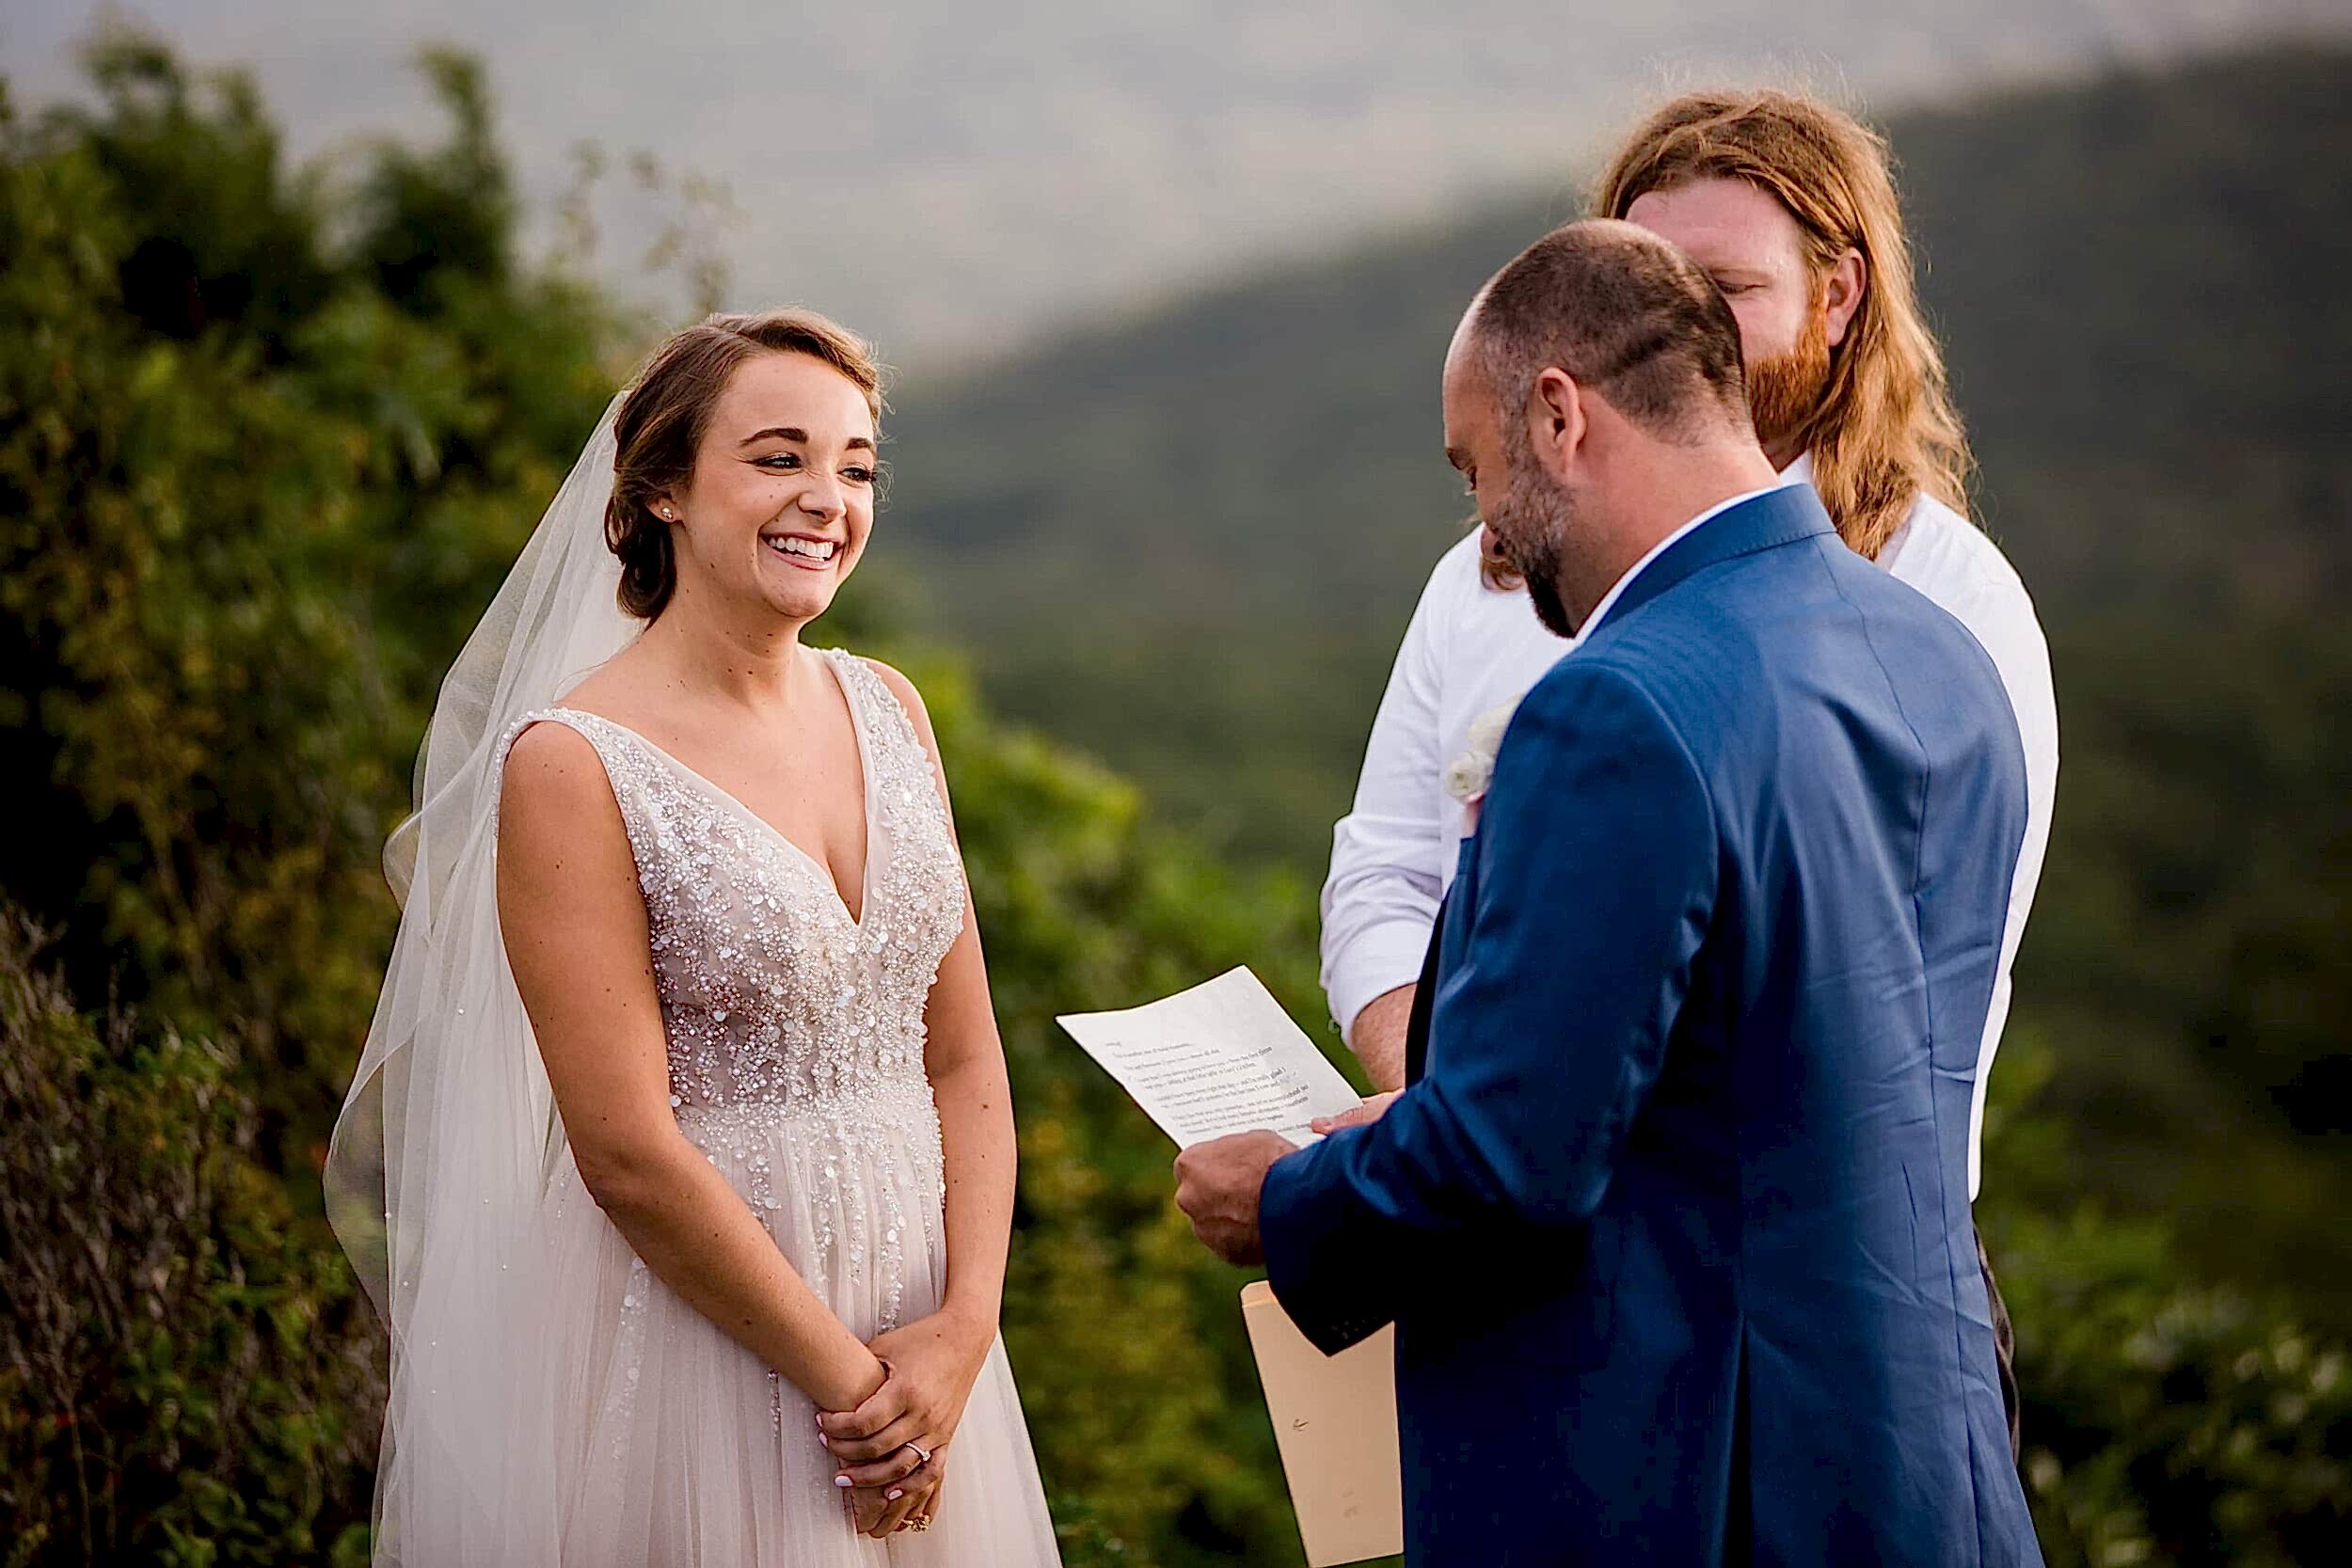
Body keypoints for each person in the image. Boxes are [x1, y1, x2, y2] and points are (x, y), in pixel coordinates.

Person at [1175, 220, 2043, 1565]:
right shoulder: (1936, 653)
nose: (1491, 537)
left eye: (1475, 470)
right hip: (1928, 1464)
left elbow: (1512, 1159)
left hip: (1689, 1471)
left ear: (1560, 415)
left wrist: (1287, 1203)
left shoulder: (1615, 711)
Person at [1319, 89, 2056, 1445]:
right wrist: (1430, 1084)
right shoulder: (1487, 577)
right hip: (1503, 1216)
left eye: (1728, 286)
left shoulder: (1950, 602)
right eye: (1660, 284)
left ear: (1840, 298)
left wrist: (1443, 1138)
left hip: (1795, 1297)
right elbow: (1384, 864)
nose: (1691, 329)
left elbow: (1907, 996)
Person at [326, 310, 1062, 1565]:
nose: (826, 498)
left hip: (924, 1335)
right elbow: (624, 1150)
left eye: (856, 464)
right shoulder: (573, 762)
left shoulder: (890, 708)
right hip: (712, 1351)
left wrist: (960, 1337)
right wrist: (853, 1390)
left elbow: (963, 1061)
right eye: (778, 458)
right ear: (661, 488)